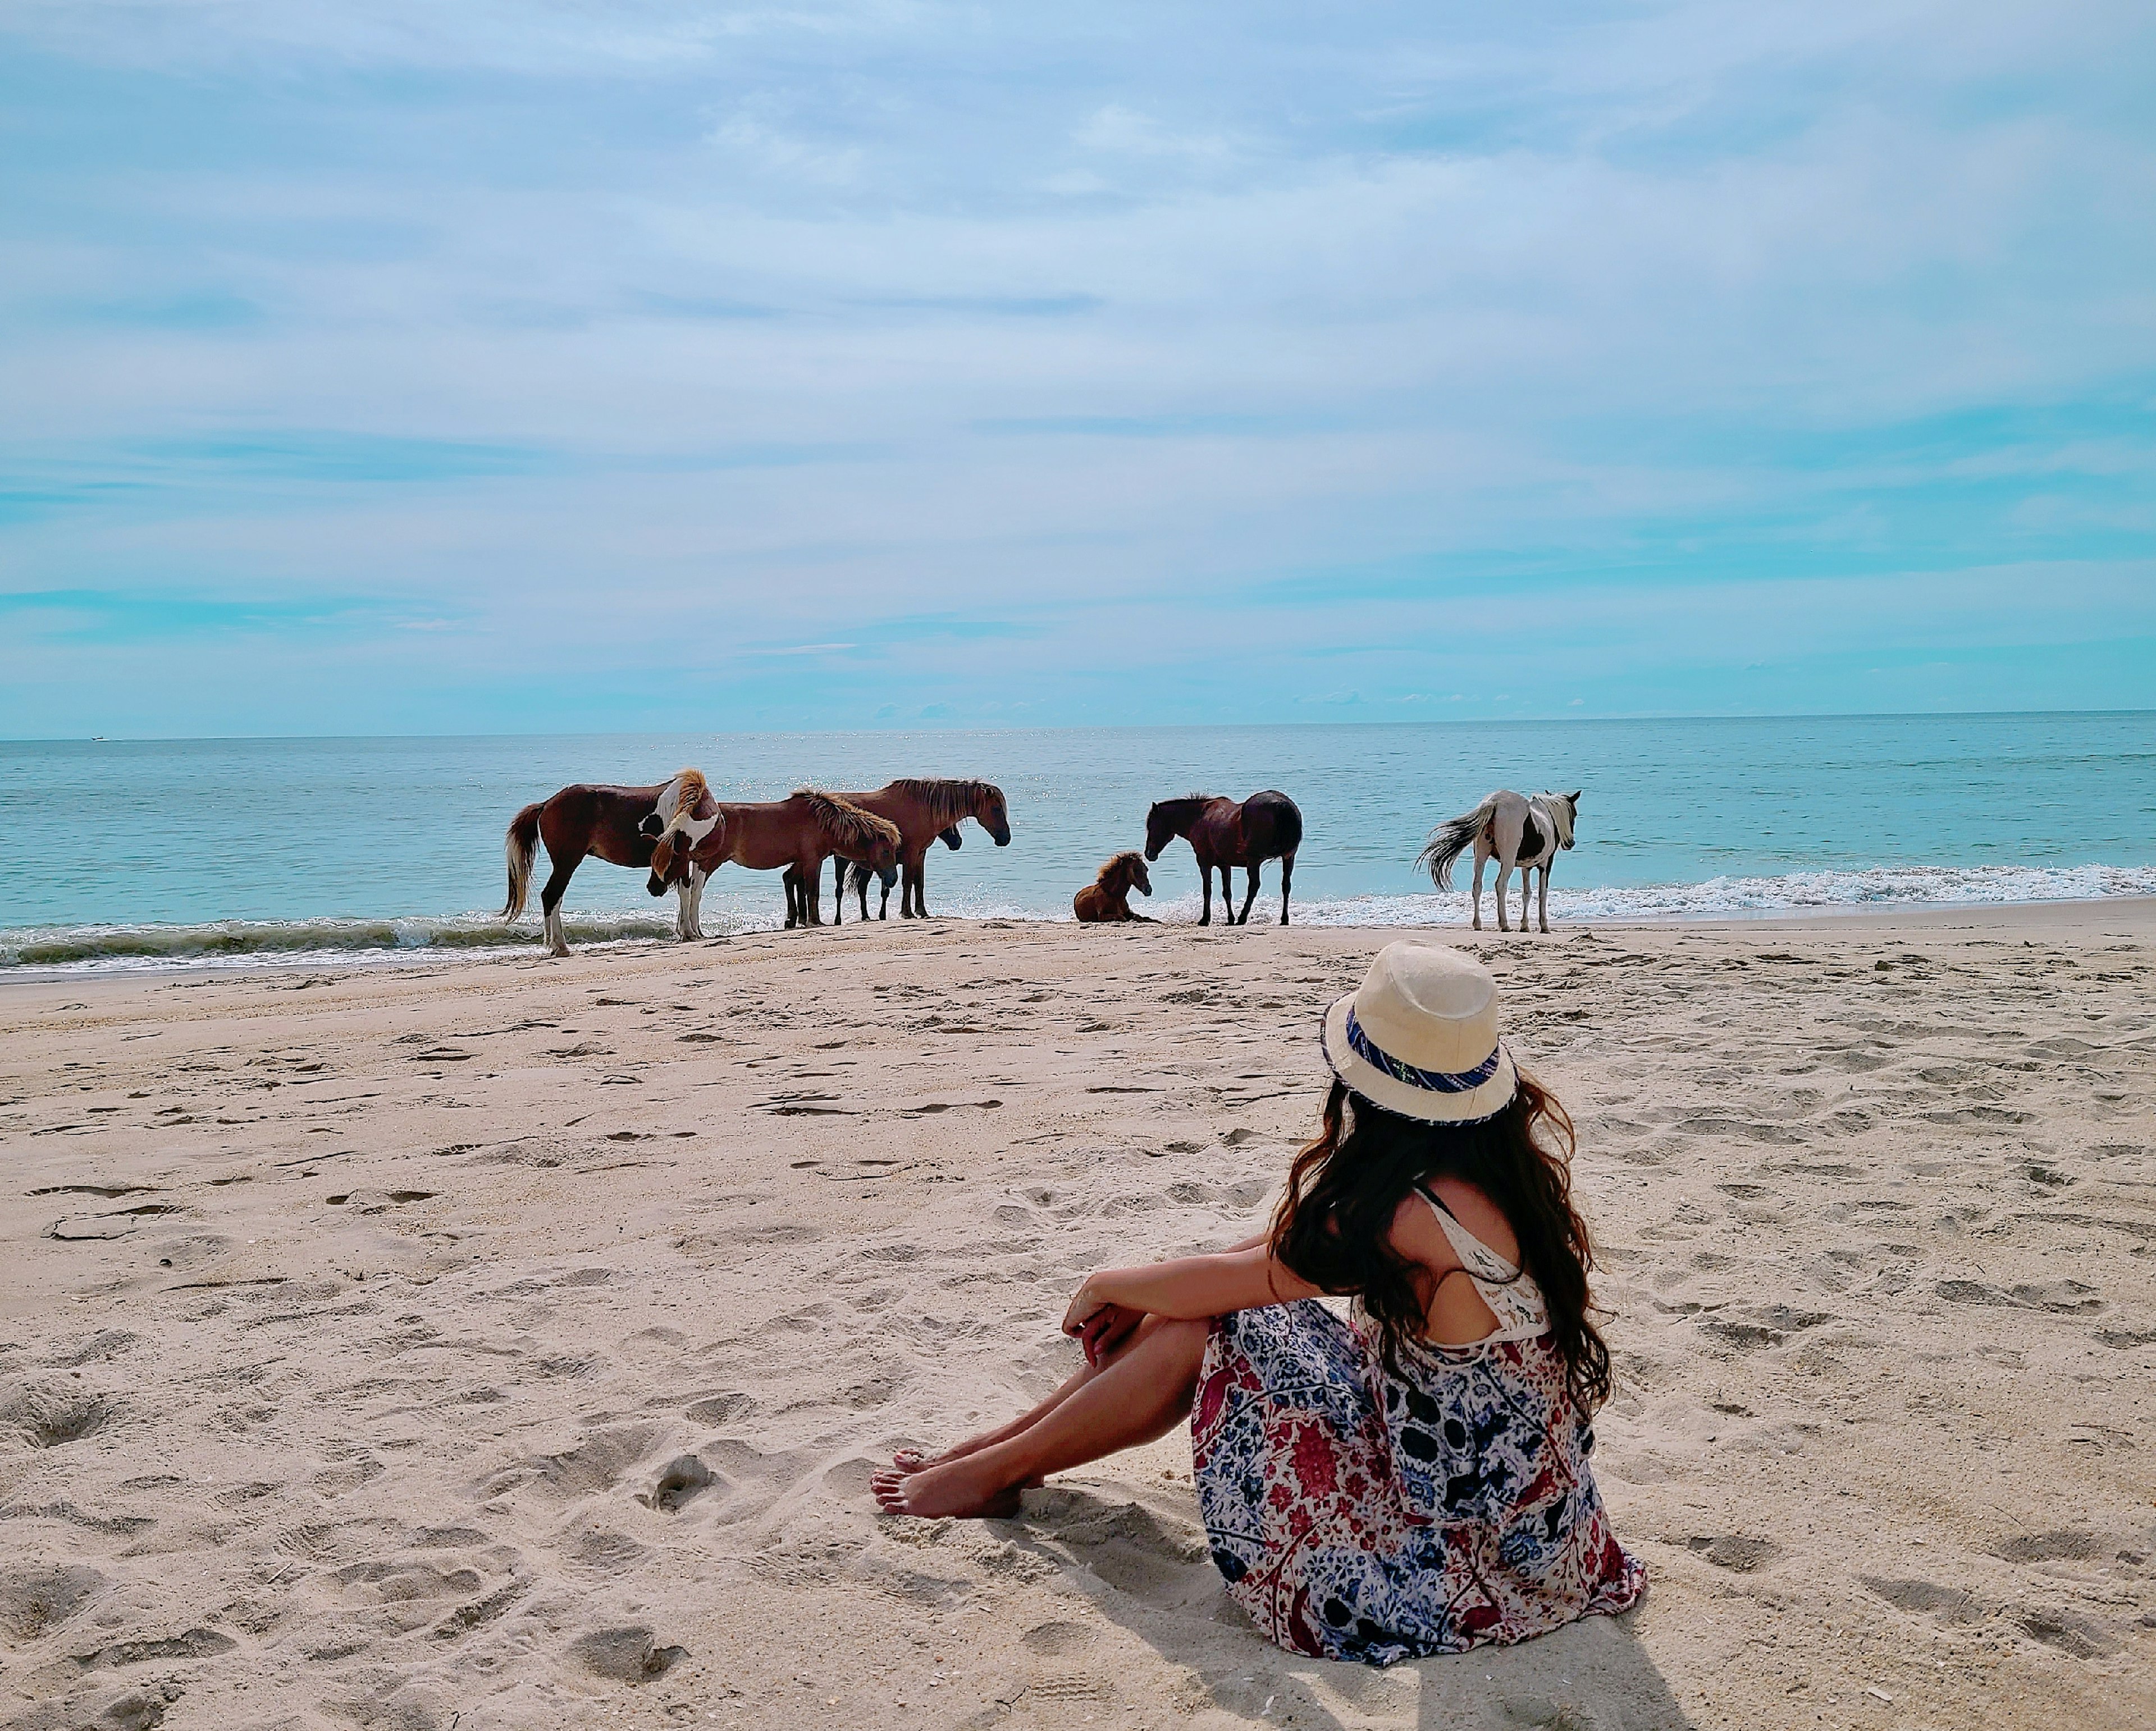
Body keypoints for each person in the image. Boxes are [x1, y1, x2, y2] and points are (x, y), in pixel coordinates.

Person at [873, 939, 1645, 1665]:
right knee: (1208, 1301)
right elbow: (1267, 1252)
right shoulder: (1494, 1172)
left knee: (1209, 1322)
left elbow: (1243, 1284)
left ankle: (999, 1466)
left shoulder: (1411, 1217)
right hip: (1546, 1535)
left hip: (1450, 1558)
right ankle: (1004, 1452)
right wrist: (1147, 1285)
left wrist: (1110, 1285)